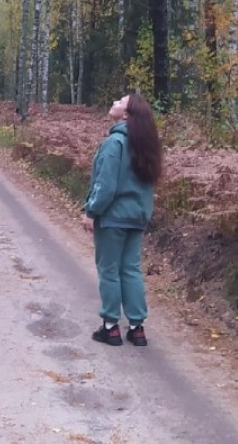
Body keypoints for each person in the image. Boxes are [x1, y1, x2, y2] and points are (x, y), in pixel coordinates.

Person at [81, 92, 163, 347]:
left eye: (120, 102)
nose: (114, 102)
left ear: (126, 114)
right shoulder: (145, 144)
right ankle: (137, 329)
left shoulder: (114, 143)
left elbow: (105, 186)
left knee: (109, 270)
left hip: (113, 218)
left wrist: (91, 212)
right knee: (130, 270)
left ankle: (110, 327)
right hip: (137, 217)